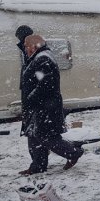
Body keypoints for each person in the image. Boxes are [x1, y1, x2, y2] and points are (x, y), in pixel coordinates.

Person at [19, 35, 83, 175]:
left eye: (26, 45)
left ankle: (73, 153)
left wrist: (31, 98)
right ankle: (38, 166)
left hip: (45, 106)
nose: (25, 48)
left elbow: (45, 84)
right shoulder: (39, 56)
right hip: (40, 106)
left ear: (34, 46)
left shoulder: (43, 58)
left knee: (45, 136)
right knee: (34, 136)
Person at [15, 25, 34, 90]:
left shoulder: (32, 49)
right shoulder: (26, 48)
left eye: (19, 38)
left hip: (31, 86)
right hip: (28, 85)